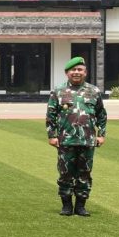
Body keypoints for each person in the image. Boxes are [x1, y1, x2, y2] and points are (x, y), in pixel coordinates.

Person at [47, 56, 107, 217]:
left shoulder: (94, 91)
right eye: (73, 70)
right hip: (66, 140)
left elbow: (101, 115)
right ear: (67, 73)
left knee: (84, 174)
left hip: (87, 140)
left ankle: (81, 206)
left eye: (80, 69)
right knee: (65, 174)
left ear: (85, 72)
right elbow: (51, 115)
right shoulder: (58, 91)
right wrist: (52, 135)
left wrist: (101, 135)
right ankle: (66, 205)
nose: (76, 72)